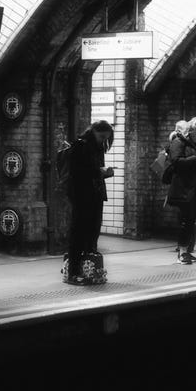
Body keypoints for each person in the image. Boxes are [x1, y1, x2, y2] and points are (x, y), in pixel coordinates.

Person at [62, 120, 116, 280]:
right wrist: (97, 171)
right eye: (101, 136)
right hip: (81, 193)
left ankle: (88, 266)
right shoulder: (80, 145)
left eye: (106, 138)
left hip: (95, 193)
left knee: (93, 228)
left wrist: (103, 172)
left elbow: (93, 170)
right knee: (78, 230)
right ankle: (73, 270)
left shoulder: (98, 147)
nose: (103, 140)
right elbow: (76, 171)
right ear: (93, 131)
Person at [164, 117, 196, 264]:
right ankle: (182, 252)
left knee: (191, 221)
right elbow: (176, 162)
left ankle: (186, 251)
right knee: (185, 221)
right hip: (183, 188)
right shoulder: (178, 142)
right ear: (190, 130)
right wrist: (195, 160)